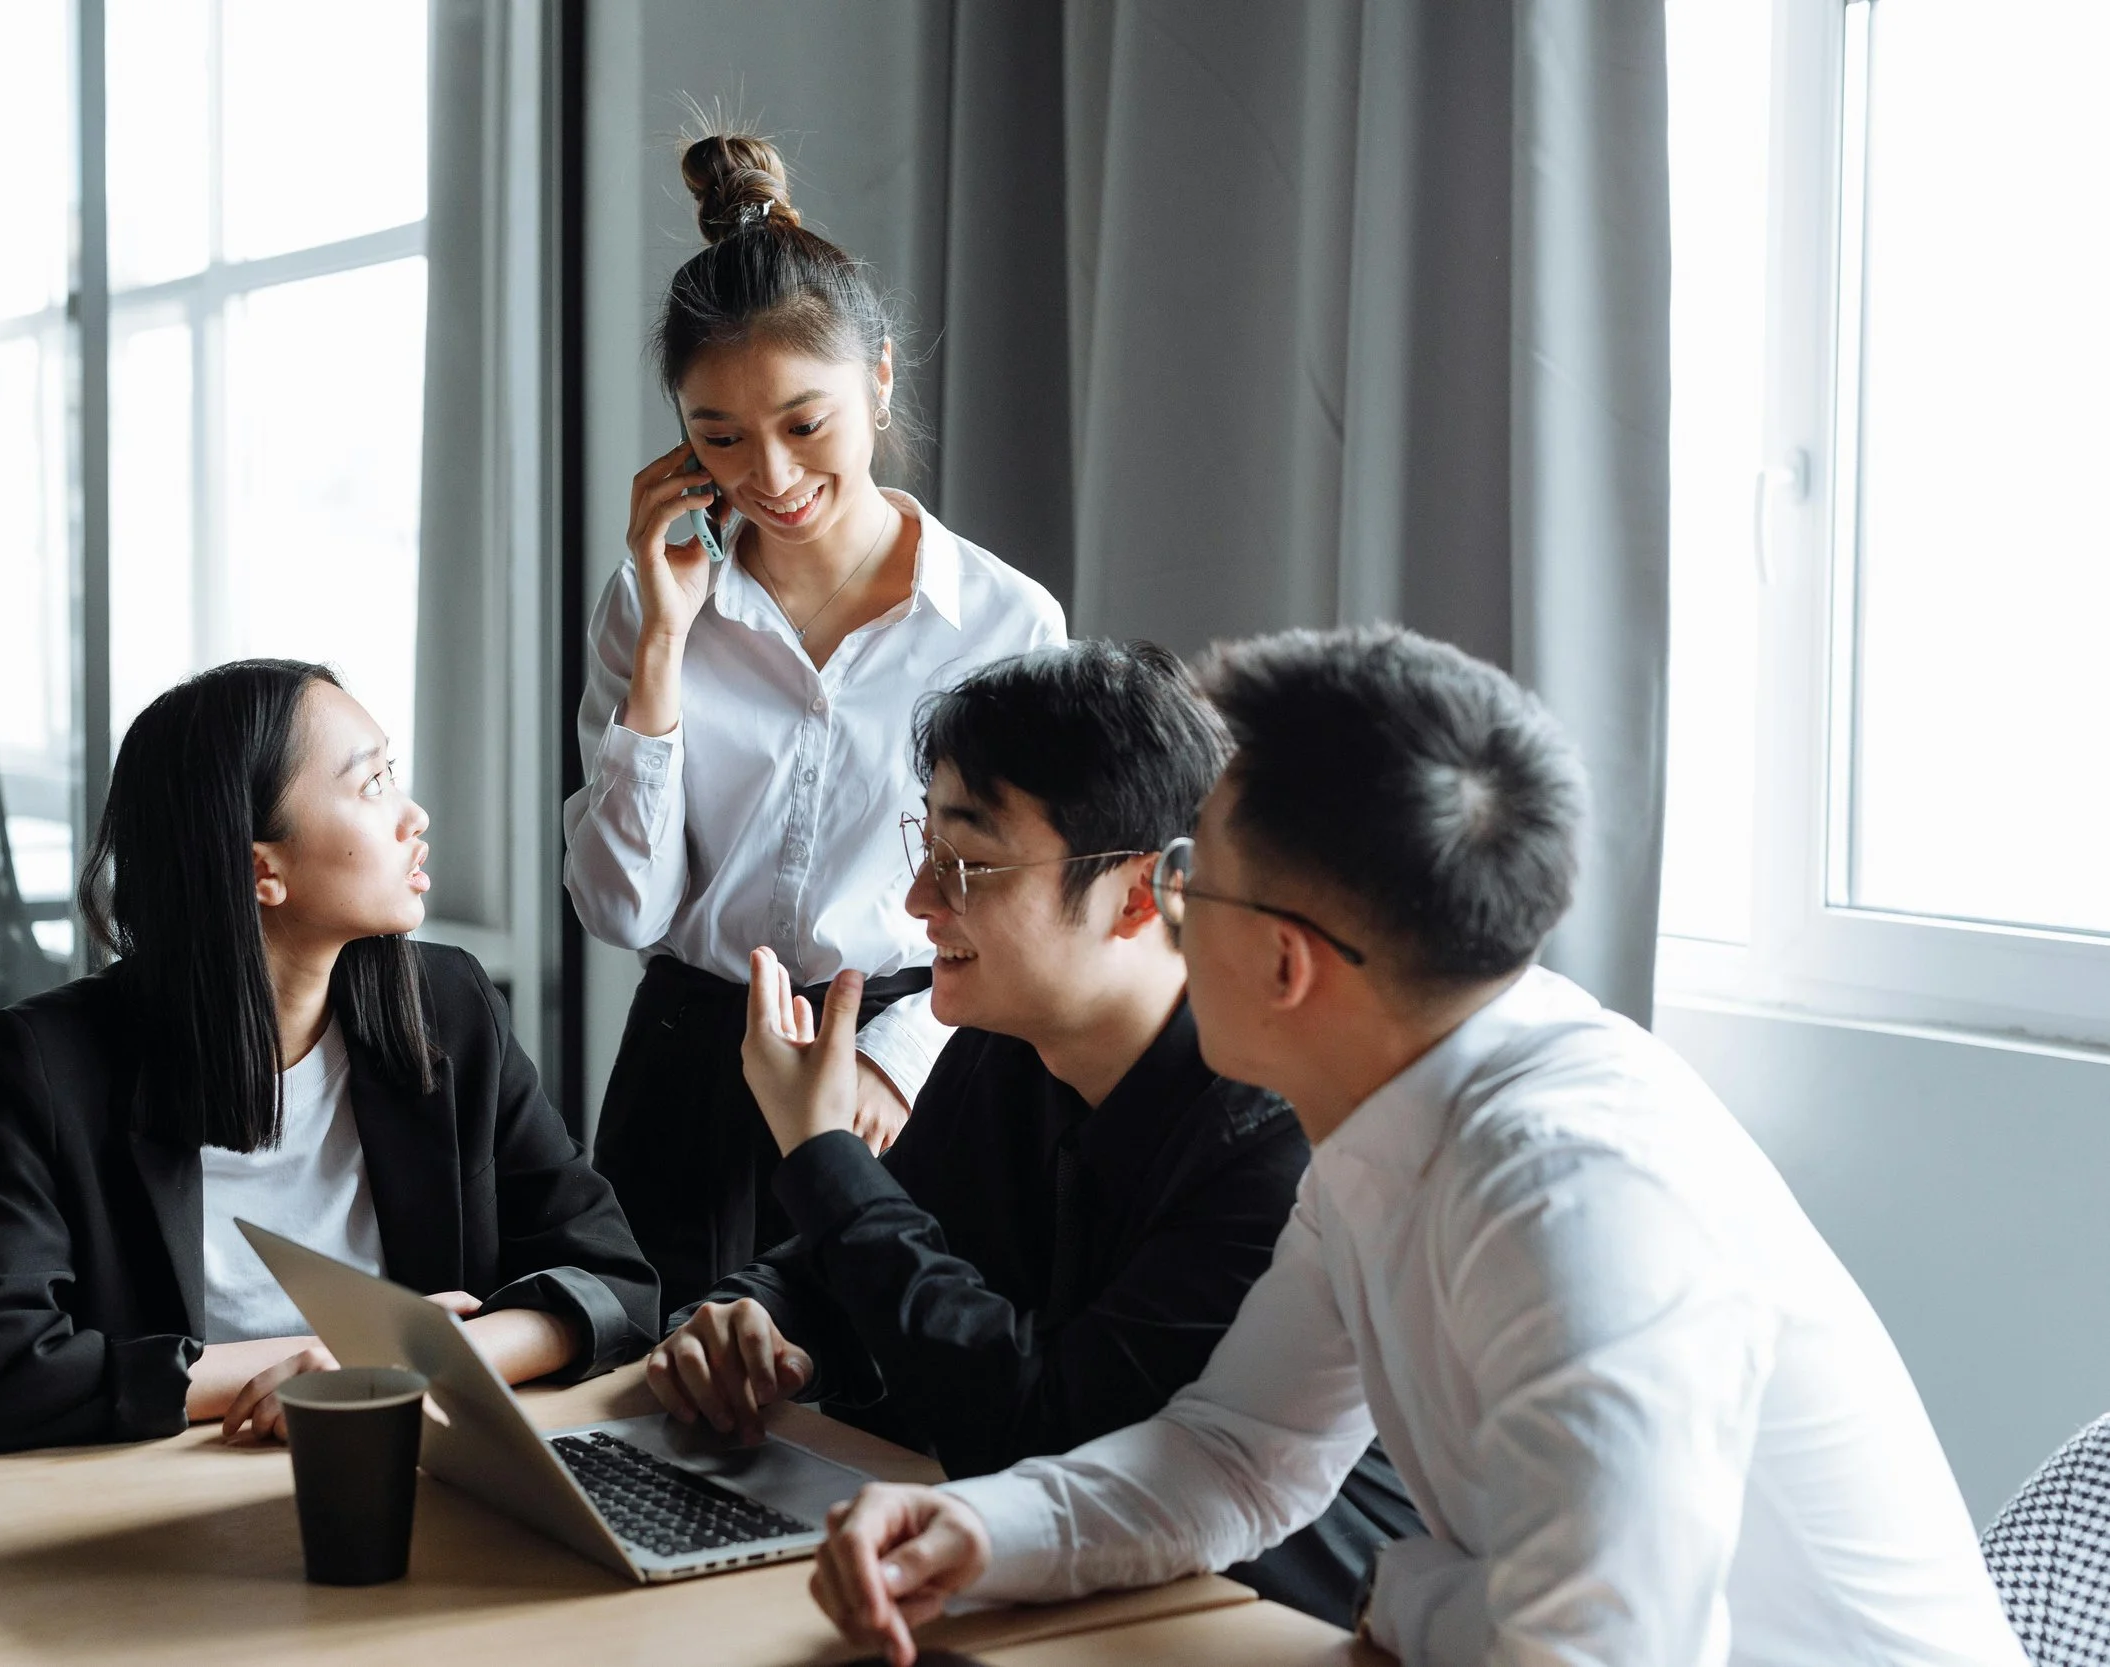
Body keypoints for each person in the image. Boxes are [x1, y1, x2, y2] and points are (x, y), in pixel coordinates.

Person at [807, 627, 2028, 1666]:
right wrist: (982, 1529)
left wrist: (1415, 1591)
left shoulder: (1572, 1195)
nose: (1161, 907)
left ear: (1285, 964)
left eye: (1192, 878)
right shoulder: (1383, 1105)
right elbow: (1241, 1452)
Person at [640, 641, 1419, 1626]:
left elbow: (1047, 1435)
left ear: (1143, 892)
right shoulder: (1010, 1042)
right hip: (1054, 1599)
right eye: (926, 846)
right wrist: (753, 1320)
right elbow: (865, 1269)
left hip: (1267, 1620)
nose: (921, 900)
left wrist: (821, 1149)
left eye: (969, 862)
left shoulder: (1268, 1134)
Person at [564, 129, 1064, 1307]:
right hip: (690, 1068)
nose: (769, 477)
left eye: (804, 423)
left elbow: (1024, 891)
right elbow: (618, 906)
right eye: (717, 436)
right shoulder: (651, 601)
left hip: (905, 1069)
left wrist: (897, 1066)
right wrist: (665, 646)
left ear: (880, 380)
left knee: (878, 1409)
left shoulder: (1003, 621)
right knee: (652, 1409)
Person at [0, 661, 659, 1453]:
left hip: (416, 1482)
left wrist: (413, 1359)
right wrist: (296, 1366)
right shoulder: (50, 1064)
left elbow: (617, 1284)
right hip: (154, 1516)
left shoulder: (449, 1009)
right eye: (372, 784)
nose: (413, 815)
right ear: (261, 870)